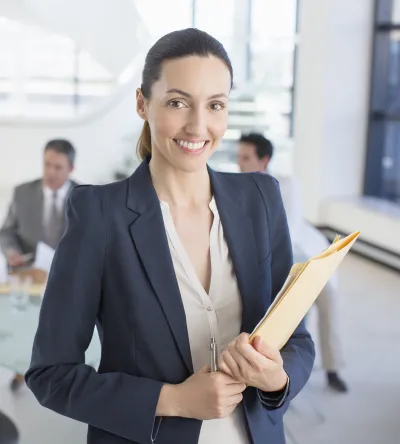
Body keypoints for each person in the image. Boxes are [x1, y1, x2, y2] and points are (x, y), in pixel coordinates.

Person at [25, 29, 314, 444]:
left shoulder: (260, 199)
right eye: (178, 102)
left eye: (215, 105)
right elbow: (50, 374)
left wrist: (276, 379)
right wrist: (173, 399)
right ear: (143, 103)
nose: (198, 125)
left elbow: (297, 338)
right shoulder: (99, 215)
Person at [237, 132, 348, 393]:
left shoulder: (285, 184)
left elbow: (289, 228)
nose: (239, 163)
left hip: (311, 257)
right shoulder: (239, 187)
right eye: (238, 156)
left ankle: (333, 369)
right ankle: (290, 375)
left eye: (245, 157)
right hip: (281, 265)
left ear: (264, 160)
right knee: (294, 322)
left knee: (328, 306)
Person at [0, 138, 78, 391]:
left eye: (58, 167)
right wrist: (11, 252)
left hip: (68, 274)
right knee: (23, 317)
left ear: (71, 169)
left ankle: (60, 369)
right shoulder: (23, 192)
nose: (50, 173)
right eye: (46, 165)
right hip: (29, 272)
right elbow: (7, 232)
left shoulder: (86, 196)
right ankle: (23, 367)